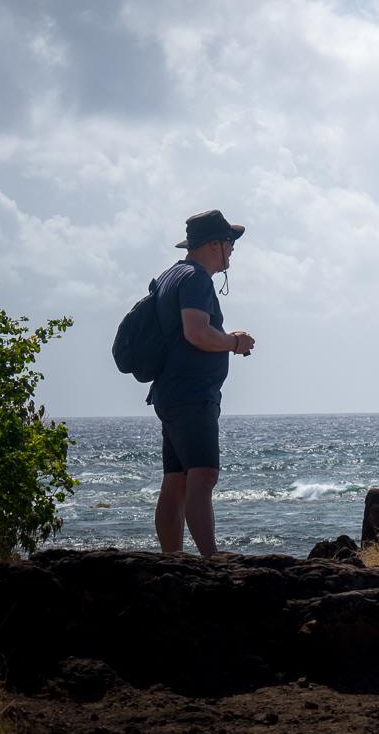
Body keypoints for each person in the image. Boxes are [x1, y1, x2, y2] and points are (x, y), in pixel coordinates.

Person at [149, 210, 256, 556]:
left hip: (171, 393)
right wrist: (234, 342)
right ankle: (211, 561)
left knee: (176, 481)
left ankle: (173, 560)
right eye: (229, 241)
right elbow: (196, 332)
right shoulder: (196, 278)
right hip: (192, 395)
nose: (232, 248)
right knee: (203, 476)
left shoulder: (171, 275)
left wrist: (225, 340)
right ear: (214, 244)